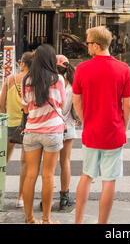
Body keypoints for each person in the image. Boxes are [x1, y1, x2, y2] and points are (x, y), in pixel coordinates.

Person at [72, 26, 130, 224]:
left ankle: (78, 221)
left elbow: (76, 101)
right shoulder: (123, 69)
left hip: (91, 131)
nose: (86, 46)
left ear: (96, 45)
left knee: (86, 175)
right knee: (109, 180)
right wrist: (123, 128)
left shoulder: (82, 69)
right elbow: (128, 105)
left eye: (88, 43)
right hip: (113, 132)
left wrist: (84, 120)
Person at [21, 44, 66, 224]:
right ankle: (46, 219)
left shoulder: (27, 80)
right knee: (48, 175)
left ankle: (30, 218)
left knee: (30, 175)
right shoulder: (58, 80)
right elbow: (61, 104)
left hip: (32, 130)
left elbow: (25, 107)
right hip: (52, 132)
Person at [0, 52, 34, 208]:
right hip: (28, 125)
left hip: (11, 124)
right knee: (25, 164)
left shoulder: (10, 80)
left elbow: (1, 104)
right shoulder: (34, 81)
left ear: (22, 64)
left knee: (3, 159)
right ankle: (20, 198)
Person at [56, 54, 79, 211]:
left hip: (51, 127)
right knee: (65, 162)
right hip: (68, 126)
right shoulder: (72, 84)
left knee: (49, 167)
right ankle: (64, 198)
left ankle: (46, 197)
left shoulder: (51, 82)